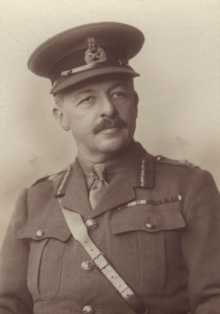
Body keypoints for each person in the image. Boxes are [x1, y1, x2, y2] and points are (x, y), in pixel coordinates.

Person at [0, 22, 219, 314]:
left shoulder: (188, 186)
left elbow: (214, 299)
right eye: (88, 99)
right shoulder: (34, 200)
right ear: (61, 117)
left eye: (119, 94)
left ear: (136, 103)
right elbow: (7, 304)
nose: (108, 109)